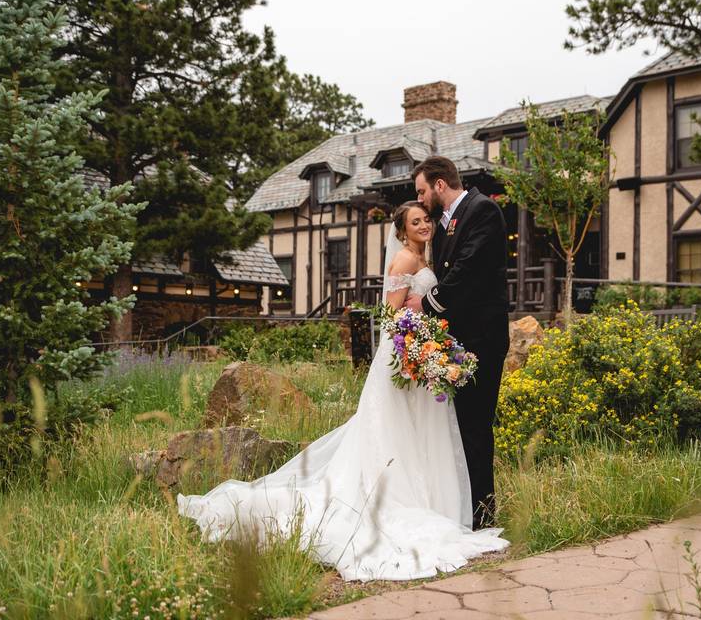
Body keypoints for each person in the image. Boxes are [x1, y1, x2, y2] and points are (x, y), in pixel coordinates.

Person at [177, 200, 508, 582]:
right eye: (416, 221)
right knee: (394, 433)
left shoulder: (427, 256)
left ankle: (433, 501)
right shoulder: (402, 260)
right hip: (403, 357)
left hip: (423, 356)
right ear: (402, 231)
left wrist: (431, 343)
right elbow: (391, 316)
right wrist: (417, 343)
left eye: (426, 219)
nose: (425, 225)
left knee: (422, 434)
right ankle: (393, 499)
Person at [404, 155, 510, 529]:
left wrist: (426, 303)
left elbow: (468, 271)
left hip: (483, 338)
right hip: (457, 342)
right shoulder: (447, 224)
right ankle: (464, 510)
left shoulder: (483, 210)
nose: (420, 199)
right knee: (459, 428)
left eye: (421, 190)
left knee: (476, 426)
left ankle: (483, 517)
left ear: (439, 184)